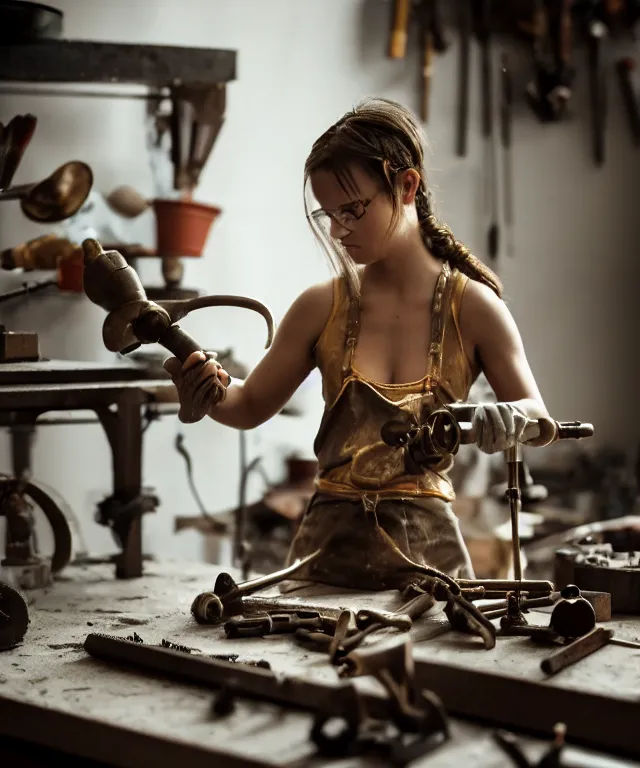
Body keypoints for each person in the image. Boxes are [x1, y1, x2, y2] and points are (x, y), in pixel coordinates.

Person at [163, 98, 557, 595]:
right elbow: (248, 405)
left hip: (430, 563)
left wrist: (512, 418)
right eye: (328, 214)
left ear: (407, 185)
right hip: (325, 555)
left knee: (438, 661)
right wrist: (209, 389)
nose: (338, 230)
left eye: (352, 210)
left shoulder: (473, 308)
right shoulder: (320, 306)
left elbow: (540, 418)